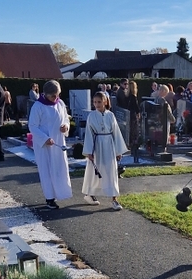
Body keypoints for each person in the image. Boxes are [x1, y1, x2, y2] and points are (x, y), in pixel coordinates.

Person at [28, 80, 72, 209]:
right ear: (46, 94)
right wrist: (45, 138)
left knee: (59, 168)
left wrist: (66, 126)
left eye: (57, 94)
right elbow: (33, 126)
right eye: (53, 95)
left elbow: (66, 118)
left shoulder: (60, 103)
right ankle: (50, 198)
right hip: (45, 145)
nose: (55, 97)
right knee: (47, 170)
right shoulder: (38, 106)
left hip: (58, 142)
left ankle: (61, 193)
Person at [82, 91, 127, 210]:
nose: (97, 104)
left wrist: (118, 151)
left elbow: (116, 133)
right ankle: (89, 194)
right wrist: (89, 152)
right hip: (96, 145)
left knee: (111, 171)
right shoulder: (91, 116)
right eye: (95, 102)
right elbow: (89, 134)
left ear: (105, 102)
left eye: (99, 102)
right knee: (95, 171)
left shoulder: (110, 115)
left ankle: (114, 199)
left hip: (109, 145)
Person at [126, 79, 141, 163]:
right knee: (135, 131)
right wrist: (138, 114)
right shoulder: (133, 97)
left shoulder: (127, 96)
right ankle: (134, 147)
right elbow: (136, 107)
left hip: (128, 114)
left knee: (131, 131)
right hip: (133, 115)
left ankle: (132, 147)